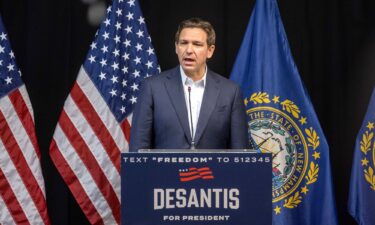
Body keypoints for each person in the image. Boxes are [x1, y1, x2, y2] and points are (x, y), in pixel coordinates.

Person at [129, 17, 248, 151]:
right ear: (176, 47)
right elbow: (138, 151)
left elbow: (240, 154)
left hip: (213, 172)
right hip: (165, 172)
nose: (189, 50)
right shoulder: (152, 88)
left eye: (197, 44)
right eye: (184, 43)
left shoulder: (231, 92)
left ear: (210, 50)